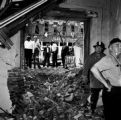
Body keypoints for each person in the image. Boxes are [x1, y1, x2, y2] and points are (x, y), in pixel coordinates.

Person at [91, 38, 121, 120]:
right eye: (117, 46)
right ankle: (92, 110)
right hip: (112, 91)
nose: (120, 47)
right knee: (111, 114)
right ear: (110, 48)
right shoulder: (108, 59)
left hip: (118, 91)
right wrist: (106, 84)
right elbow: (93, 69)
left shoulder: (117, 59)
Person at [82, 41, 106, 115]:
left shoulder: (104, 56)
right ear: (95, 48)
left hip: (103, 79)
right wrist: (85, 77)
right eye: (97, 47)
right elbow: (86, 68)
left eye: (100, 47)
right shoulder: (90, 57)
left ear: (102, 49)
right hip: (94, 79)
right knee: (94, 95)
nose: (98, 49)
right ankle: (92, 109)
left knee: (105, 95)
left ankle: (104, 109)